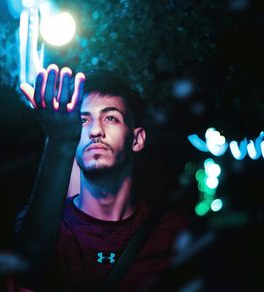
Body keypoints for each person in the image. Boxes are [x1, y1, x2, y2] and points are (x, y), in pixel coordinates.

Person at [13, 64, 188, 292]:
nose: (95, 131)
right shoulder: (41, 224)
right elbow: (27, 272)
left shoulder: (170, 233)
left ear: (137, 139)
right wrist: (59, 141)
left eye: (111, 118)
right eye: (83, 121)